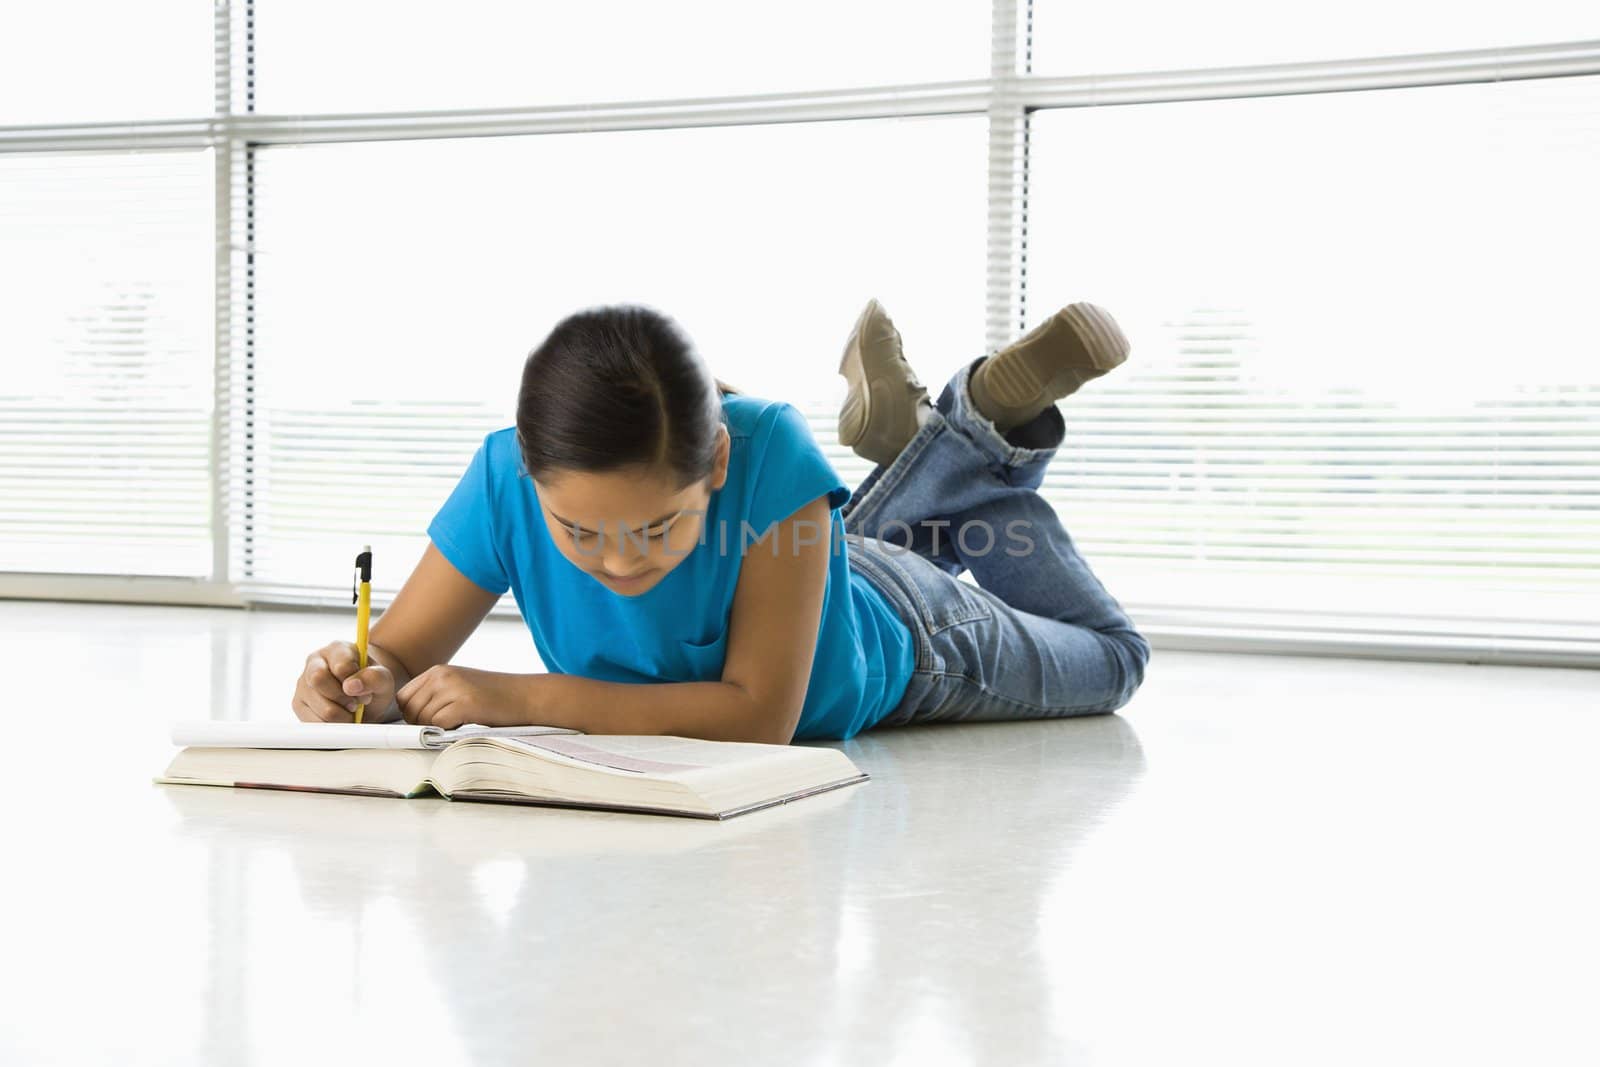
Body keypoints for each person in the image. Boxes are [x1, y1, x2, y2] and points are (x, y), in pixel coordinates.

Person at [291, 301, 1150, 743]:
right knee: (814, 527)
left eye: (660, 527)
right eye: (580, 532)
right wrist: (352, 679)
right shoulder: (504, 472)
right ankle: (941, 443)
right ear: (527, 467)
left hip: (912, 633)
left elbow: (759, 718)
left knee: (1116, 661)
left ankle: (979, 447)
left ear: (718, 466)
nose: (620, 563)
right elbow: (396, 656)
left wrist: (517, 697)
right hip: (806, 558)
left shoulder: (768, 442)